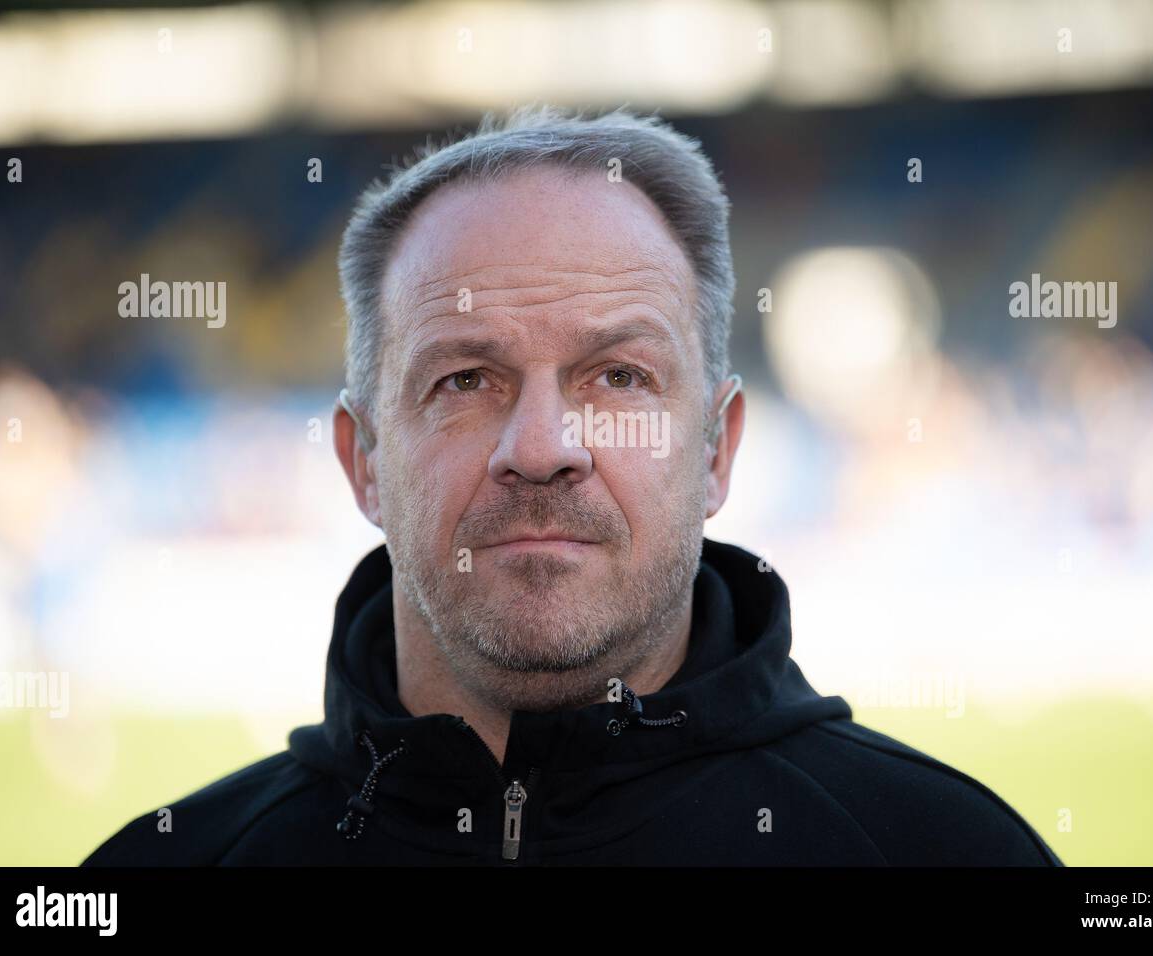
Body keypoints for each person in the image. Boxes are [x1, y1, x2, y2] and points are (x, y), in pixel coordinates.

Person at [83, 104, 1062, 866]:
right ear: (363, 460)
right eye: (465, 379)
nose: (543, 444)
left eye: (618, 376)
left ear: (715, 450)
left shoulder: (948, 853)